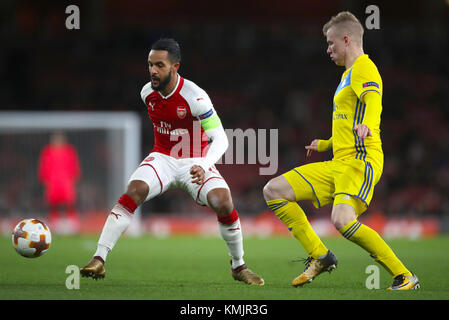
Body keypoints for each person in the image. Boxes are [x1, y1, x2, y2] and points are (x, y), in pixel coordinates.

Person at [80, 38, 264, 285]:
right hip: (163, 158)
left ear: (175, 67)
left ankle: (238, 266)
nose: (153, 71)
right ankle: (99, 259)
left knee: (222, 201)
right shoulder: (147, 93)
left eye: (159, 65)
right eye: (149, 65)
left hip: (196, 161)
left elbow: (220, 138)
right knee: (135, 190)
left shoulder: (195, 97)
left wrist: (205, 164)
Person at [263, 12, 419, 290]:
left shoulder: (363, 67)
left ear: (346, 39)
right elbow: (348, 122)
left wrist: (368, 124)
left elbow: (373, 99)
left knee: (342, 220)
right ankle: (321, 256)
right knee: (273, 191)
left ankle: (404, 275)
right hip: (339, 160)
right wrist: (325, 144)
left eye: (331, 42)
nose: (328, 49)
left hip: (361, 159)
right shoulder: (347, 75)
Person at [38, 131, 81, 234]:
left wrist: (73, 179)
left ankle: (71, 223)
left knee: (69, 203)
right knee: (53, 204)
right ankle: (54, 223)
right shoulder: (47, 151)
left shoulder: (69, 151)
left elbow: (74, 166)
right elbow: (44, 168)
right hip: (53, 182)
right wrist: (46, 181)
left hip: (66, 181)